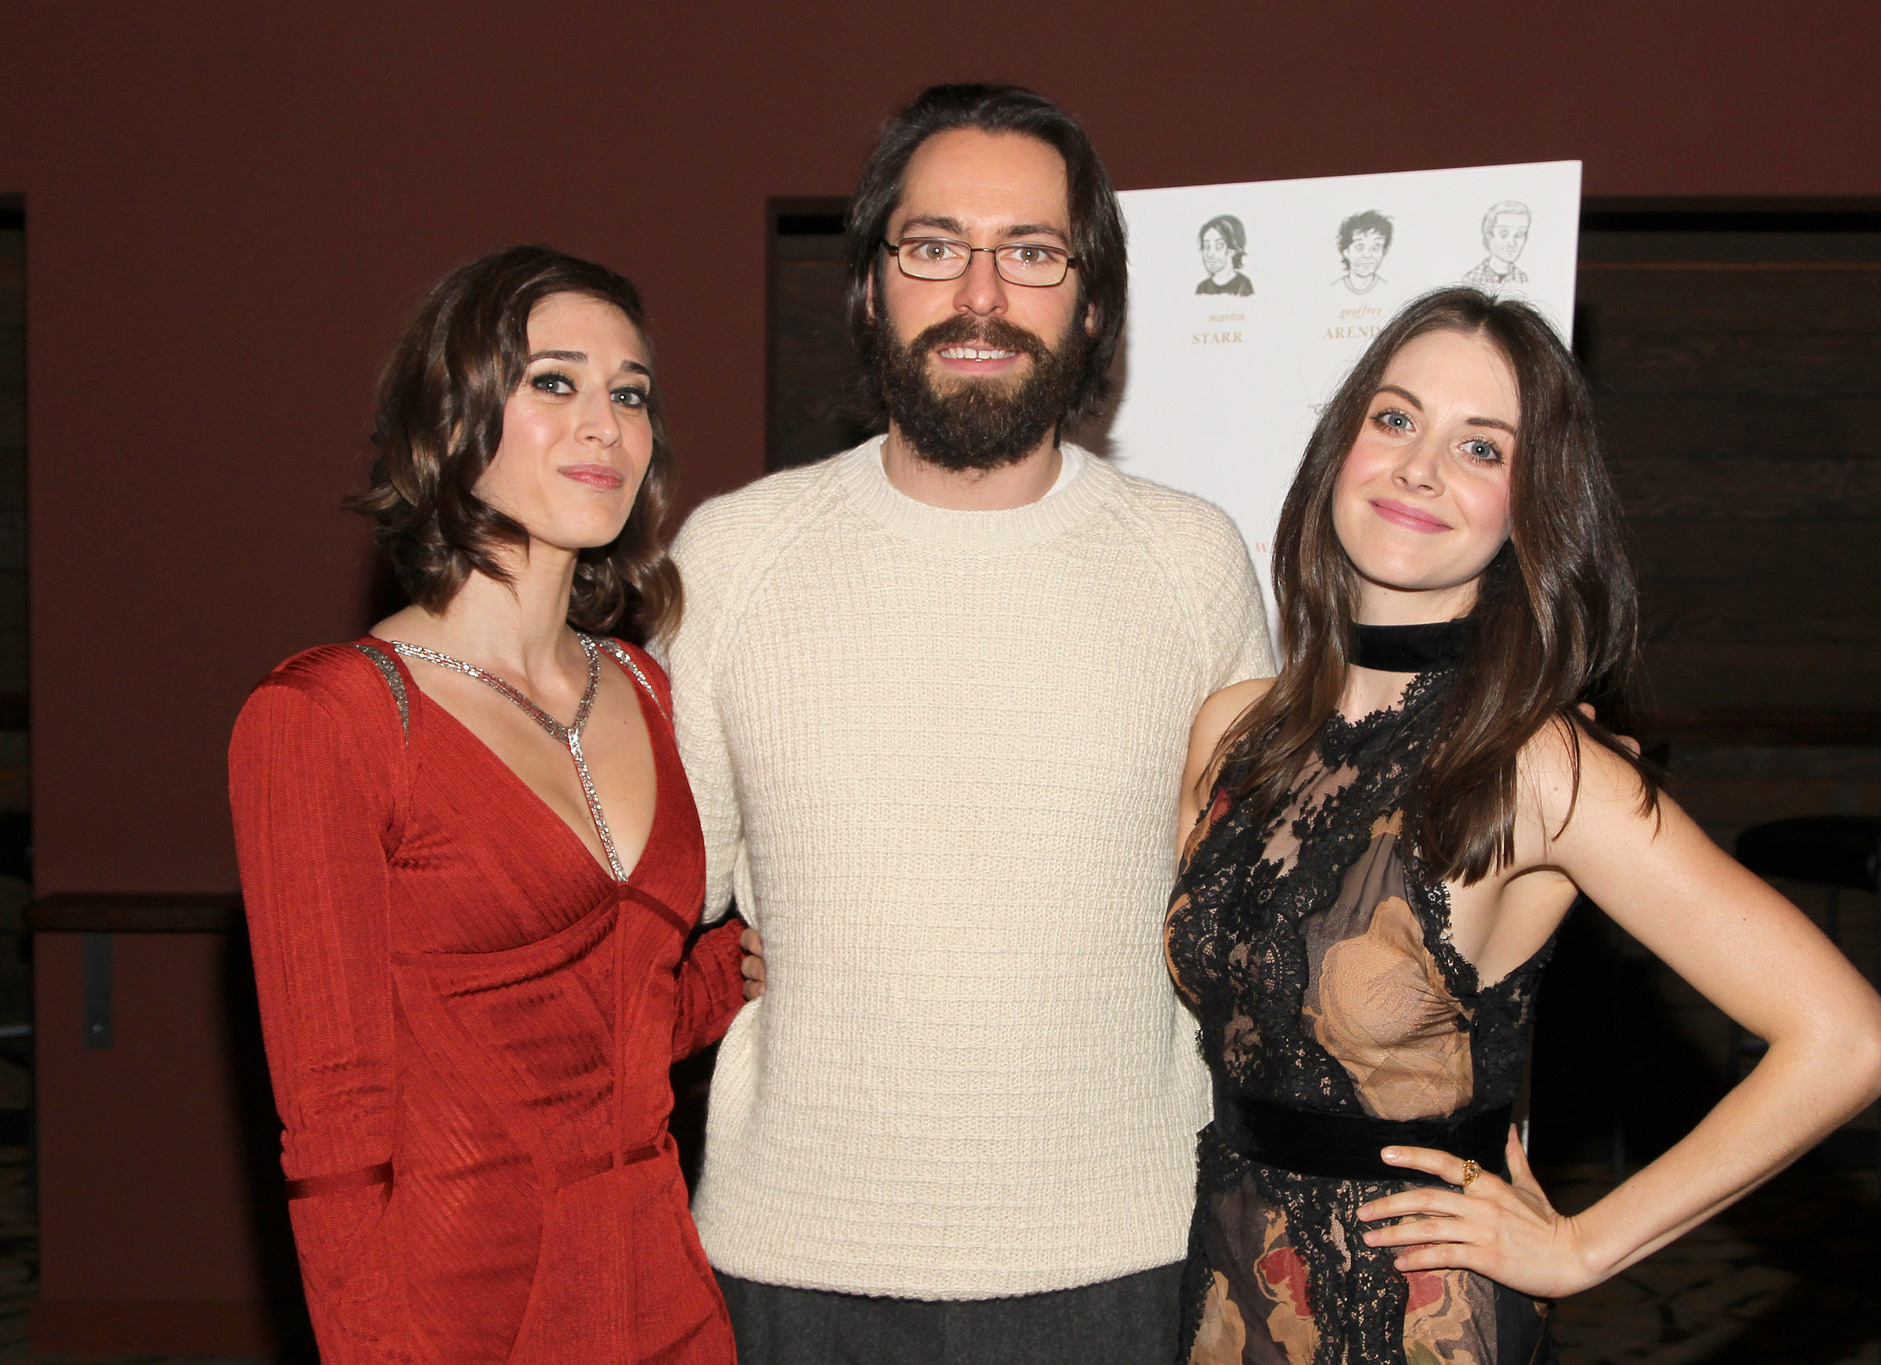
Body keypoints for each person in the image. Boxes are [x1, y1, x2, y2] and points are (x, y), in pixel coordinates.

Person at [1168, 286, 1881, 1365]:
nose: (1420, 466)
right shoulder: (1234, 727)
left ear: (1530, 505)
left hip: (1411, 1329)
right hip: (1221, 1295)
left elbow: (1846, 1042)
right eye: (1395, 419)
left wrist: (1581, 1250)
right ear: (1340, 448)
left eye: (1480, 447)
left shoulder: (1538, 765)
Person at [667, 84, 1272, 1365]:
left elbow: (1251, 911)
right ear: (872, 286)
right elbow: (658, 907)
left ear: (1091, 299)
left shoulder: (1191, 560)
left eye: (1032, 253)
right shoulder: (732, 555)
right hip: (791, 1254)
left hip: (1117, 1254)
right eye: (934, 247)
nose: (980, 294)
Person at [230, 246, 751, 1364]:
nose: (603, 422)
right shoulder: (326, 718)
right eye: (553, 382)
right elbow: (331, 1120)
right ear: (452, 419)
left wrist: (735, 970)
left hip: (659, 1281)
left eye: (630, 392)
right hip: (453, 1307)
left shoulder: (649, 686)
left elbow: (613, 1015)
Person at [1461, 200, 1531, 290]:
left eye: (1519, 234)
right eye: (1503, 234)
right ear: (1489, 235)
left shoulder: (1523, 279)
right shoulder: (1471, 279)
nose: (1512, 243)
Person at [1333, 211, 1393, 295]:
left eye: (1376, 246)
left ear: (1384, 251)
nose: (1367, 255)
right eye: (1359, 246)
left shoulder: (1389, 290)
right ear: (1345, 250)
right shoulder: (1333, 289)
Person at [1198, 214, 1255, 295]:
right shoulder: (1203, 287)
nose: (1210, 254)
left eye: (1219, 246)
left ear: (1231, 250)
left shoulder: (1243, 286)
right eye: (1206, 246)